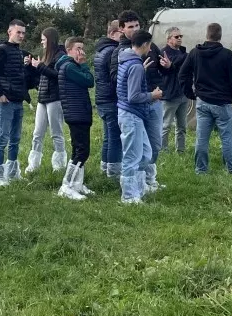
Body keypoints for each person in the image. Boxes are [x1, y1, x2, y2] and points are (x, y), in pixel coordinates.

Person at [179, 22, 232, 175]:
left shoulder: (195, 53)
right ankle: (231, 170)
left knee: (201, 138)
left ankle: (201, 170)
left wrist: (190, 93)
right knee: (226, 138)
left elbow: (183, 74)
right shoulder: (227, 55)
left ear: (206, 35)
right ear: (220, 36)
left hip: (203, 101)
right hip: (223, 102)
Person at [116, 30, 162, 204]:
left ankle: (138, 188)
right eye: (149, 45)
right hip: (131, 115)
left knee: (146, 152)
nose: (150, 49)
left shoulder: (129, 61)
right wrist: (153, 95)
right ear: (144, 45)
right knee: (132, 156)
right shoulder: (135, 65)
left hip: (132, 114)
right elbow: (133, 96)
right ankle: (128, 196)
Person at [0, 19, 30, 186]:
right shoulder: (1, 50)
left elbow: (19, 77)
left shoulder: (19, 52)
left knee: (16, 137)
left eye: (23, 33)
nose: (21, 36)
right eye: (18, 32)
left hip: (18, 100)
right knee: (3, 136)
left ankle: (12, 172)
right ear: (9, 32)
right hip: (6, 100)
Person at [55, 37, 95, 200]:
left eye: (83, 48)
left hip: (79, 112)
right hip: (76, 113)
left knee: (80, 149)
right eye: (78, 48)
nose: (82, 52)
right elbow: (89, 81)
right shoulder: (70, 67)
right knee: (81, 151)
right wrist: (84, 64)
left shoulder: (70, 66)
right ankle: (67, 185)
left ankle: (77, 183)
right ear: (69, 50)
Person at [25, 27, 67, 176]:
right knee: (37, 133)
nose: (42, 42)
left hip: (55, 98)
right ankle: (33, 165)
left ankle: (60, 165)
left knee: (56, 133)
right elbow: (41, 76)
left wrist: (40, 66)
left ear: (50, 39)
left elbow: (57, 75)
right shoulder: (46, 54)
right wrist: (31, 65)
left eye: (43, 39)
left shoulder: (61, 55)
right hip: (43, 98)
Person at [92, 20, 122, 180]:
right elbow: (114, 77)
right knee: (115, 137)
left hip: (102, 99)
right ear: (112, 34)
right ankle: (114, 173)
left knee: (108, 136)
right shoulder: (113, 51)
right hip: (111, 99)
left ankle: (104, 168)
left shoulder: (100, 50)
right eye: (121, 33)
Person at [158, 27, 189, 154]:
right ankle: (162, 150)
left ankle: (180, 150)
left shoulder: (182, 52)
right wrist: (173, 65)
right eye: (176, 37)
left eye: (181, 36)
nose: (180, 38)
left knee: (182, 126)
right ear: (169, 39)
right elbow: (168, 68)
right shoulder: (164, 53)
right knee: (166, 125)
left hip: (182, 94)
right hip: (170, 95)